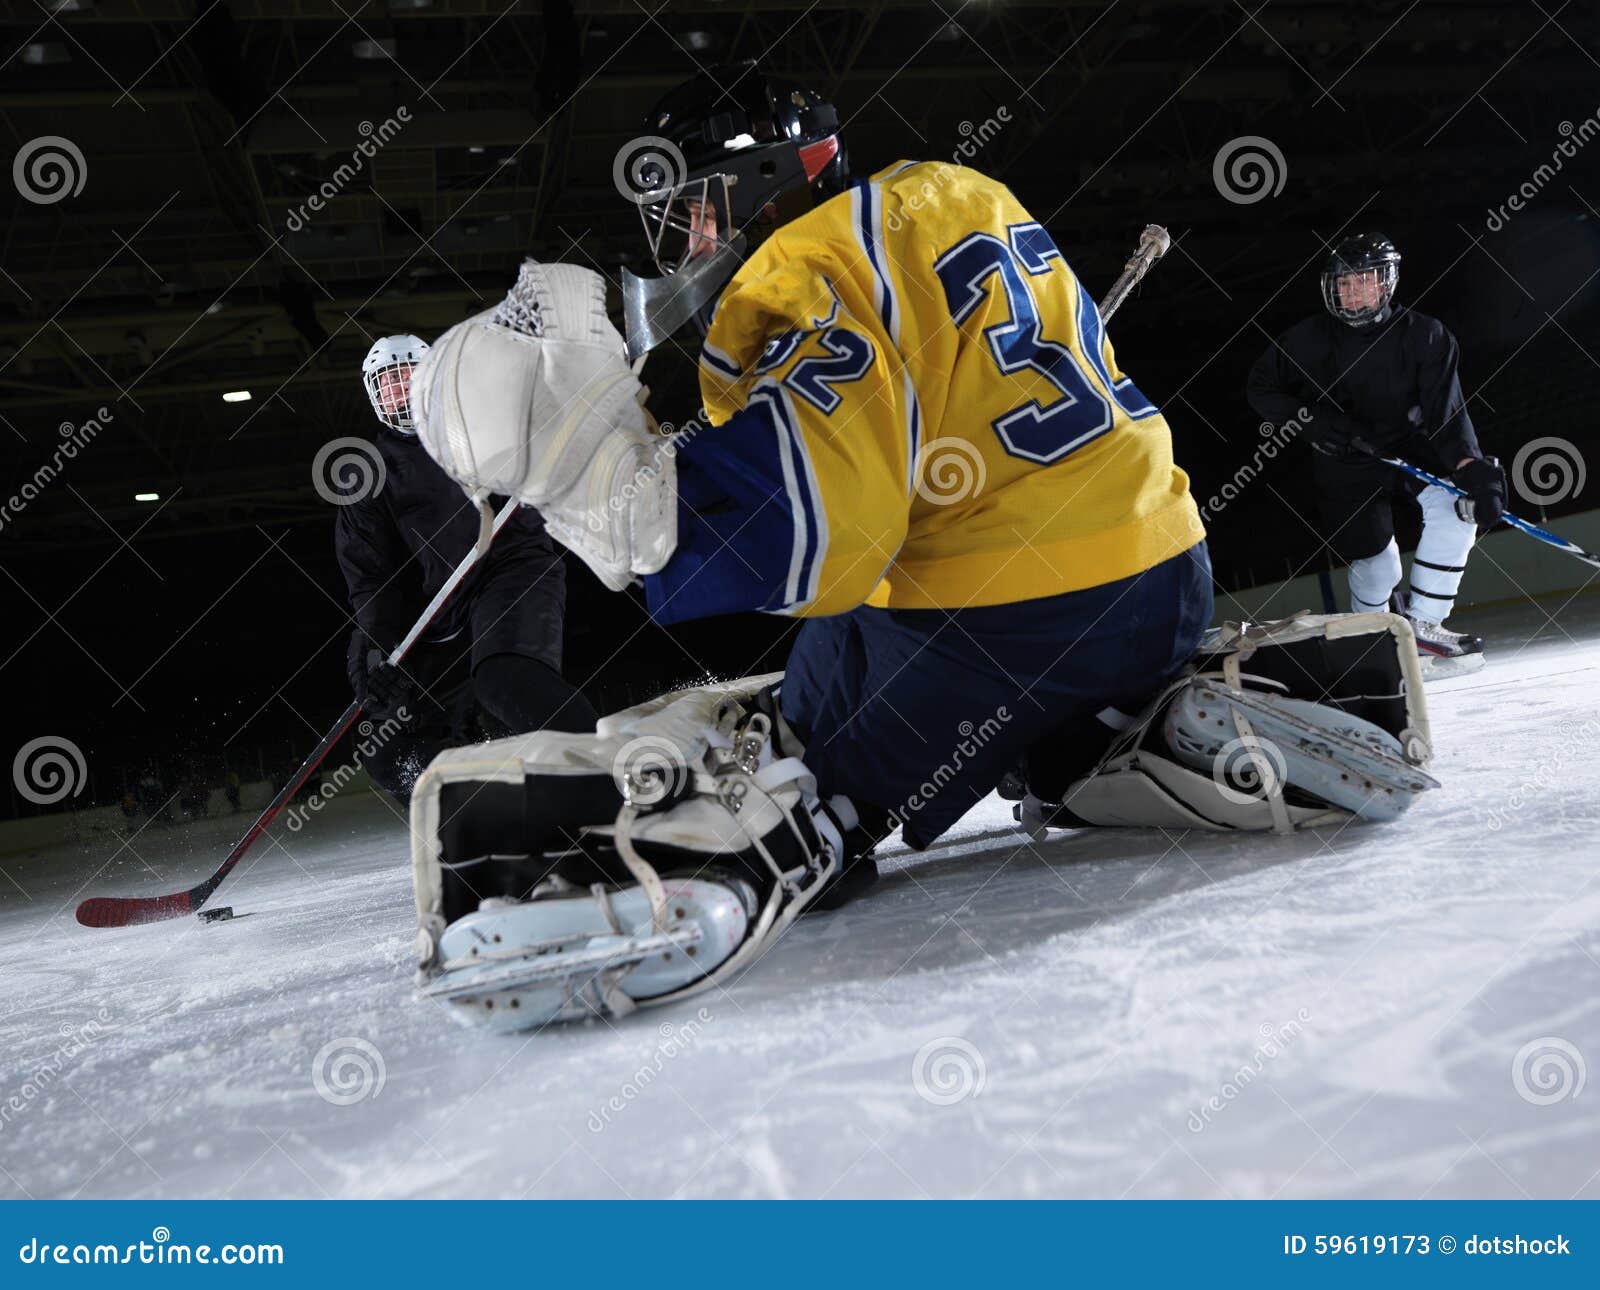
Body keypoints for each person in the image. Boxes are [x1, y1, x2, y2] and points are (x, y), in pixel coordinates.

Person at [398, 67, 1435, 1032]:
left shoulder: (796, 270)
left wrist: (598, 478)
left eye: (702, 204)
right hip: (1163, 565)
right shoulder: (951, 188)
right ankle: (1117, 731)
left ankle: (750, 855)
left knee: (802, 765)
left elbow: (827, 542)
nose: (692, 237)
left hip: (1003, 618)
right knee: (974, 718)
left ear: (767, 176)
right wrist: (709, 392)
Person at [334, 333, 597, 803]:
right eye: (386, 384)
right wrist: (376, 658)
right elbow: (373, 582)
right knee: (383, 742)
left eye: (406, 378)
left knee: (504, 680)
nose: (398, 392)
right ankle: (473, 802)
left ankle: (604, 774)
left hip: (510, 571)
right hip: (439, 615)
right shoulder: (370, 474)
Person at [1246, 233, 1506, 665]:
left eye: (1359, 281)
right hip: (1344, 456)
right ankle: (1371, 639)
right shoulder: (1307, 340)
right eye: (1341, 284)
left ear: (1385, 283)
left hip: (1409, 446)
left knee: (1458, 509)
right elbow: (1260, 388)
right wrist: (1314, 423)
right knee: (1381, 567)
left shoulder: (1426, 336)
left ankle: (1424, 625)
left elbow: (1446, 413)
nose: (1348, 292)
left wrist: (1470, 467)